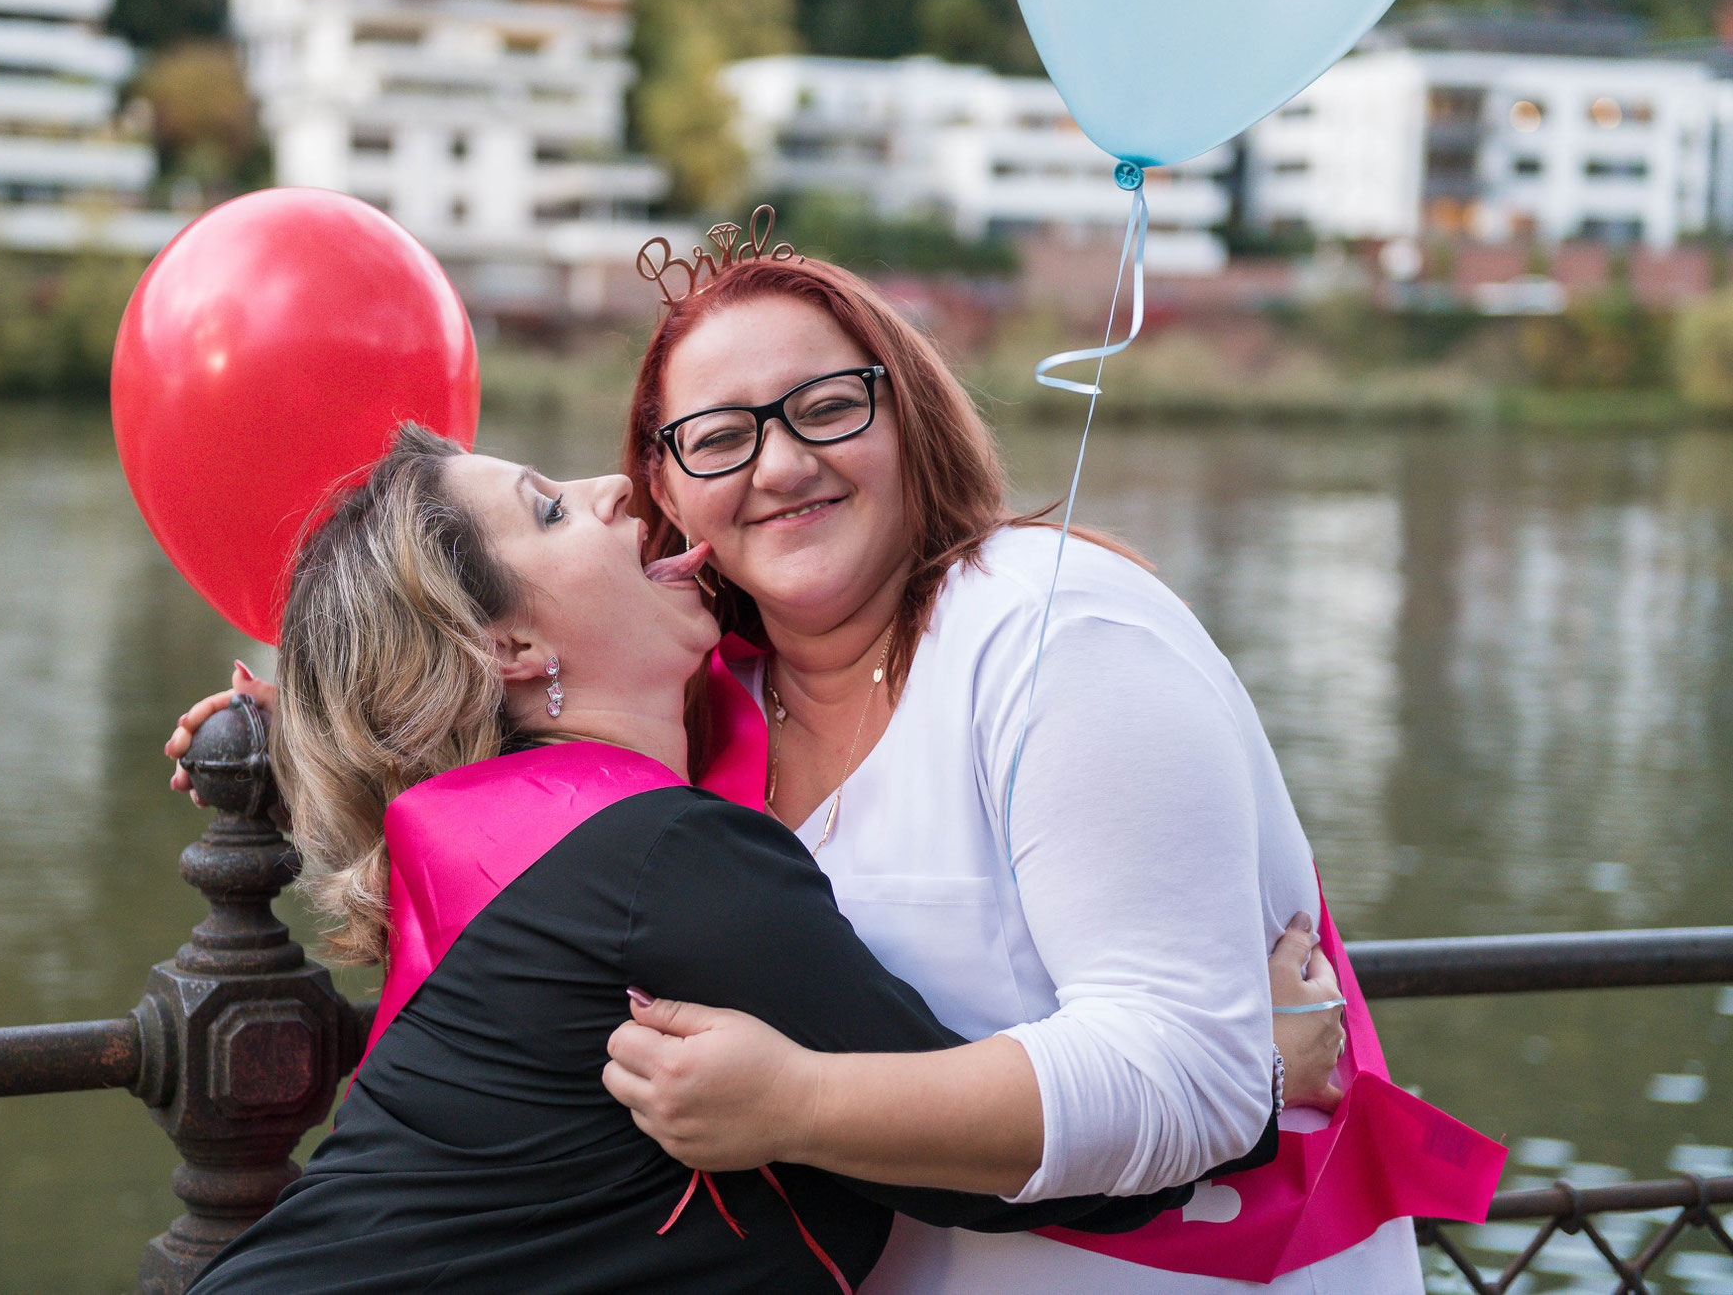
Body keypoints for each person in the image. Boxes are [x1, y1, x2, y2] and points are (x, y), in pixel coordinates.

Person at [174, 425, 1283, 1295]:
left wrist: (294, 738)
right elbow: (990, 1174)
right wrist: (1249, 1062)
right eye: (550, 510)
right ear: (507, 648)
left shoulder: (507, 835)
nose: (618, 492)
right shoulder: (663, 860)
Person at [585, 246, 1495, 1291]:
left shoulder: (1053, 630)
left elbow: (1192, 1072)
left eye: (827, 407)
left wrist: (794, 1105)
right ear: (661, 480)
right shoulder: (693, 711)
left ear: (908, 413)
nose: (781, 464)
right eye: (719, 437)